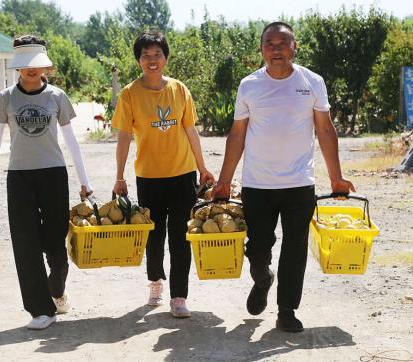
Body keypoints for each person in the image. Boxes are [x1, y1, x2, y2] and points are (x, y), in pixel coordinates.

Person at [213, 22, 355, 332]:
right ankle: (263, 278)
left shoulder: (312, 82)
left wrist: (337, 178)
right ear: (261, 49)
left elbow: (325, 129)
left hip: (299, 183)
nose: (275, 49)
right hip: (258, 184)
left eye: (282, 43)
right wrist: (224, 181)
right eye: (269, 43)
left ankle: (287, 310)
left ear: (295, 47)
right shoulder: (249, 85)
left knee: (295, 248)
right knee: (258, 247)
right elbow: (237, 134)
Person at [0, 35, 92, 330]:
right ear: (17, 66)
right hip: (20, 178)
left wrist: (84, 181)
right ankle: (41, 310)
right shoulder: (6, 98)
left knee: (55, 245)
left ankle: (57, 291)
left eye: (35, 64)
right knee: (26, 244)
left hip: (53, 174)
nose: (30, 70)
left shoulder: (56, 97)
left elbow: (71, 141)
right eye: (24, 65)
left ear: (44, 66)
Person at [112, 31, 214, 318]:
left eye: (157, 55)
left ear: (166, 58)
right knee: (153, 236)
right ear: (138, 60)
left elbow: (191, 130)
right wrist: (119, 176)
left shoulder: (180, 90)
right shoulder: (130, 94)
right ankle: (155, 282)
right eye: (146, 55)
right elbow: (123, 137)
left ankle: (179, 297)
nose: (152, 60)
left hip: (183, 175)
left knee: (181, 236)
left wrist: (203, 167)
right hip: (149, 177)